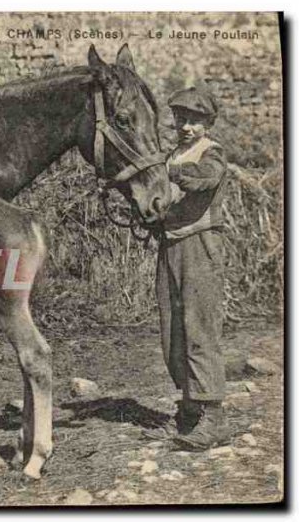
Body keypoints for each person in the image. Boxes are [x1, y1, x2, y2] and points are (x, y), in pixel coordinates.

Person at [143, 87, 231, 451]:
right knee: (173, 332)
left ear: (208, 123)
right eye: (181, 119)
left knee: (199, 328)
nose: (186, 127)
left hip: (200, 246)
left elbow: (203, 179)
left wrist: (166, 172)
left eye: (194, 120)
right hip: (171, 246)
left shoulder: (211, 153)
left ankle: (214, 417)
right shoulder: (172, 154)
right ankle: (189, 411)